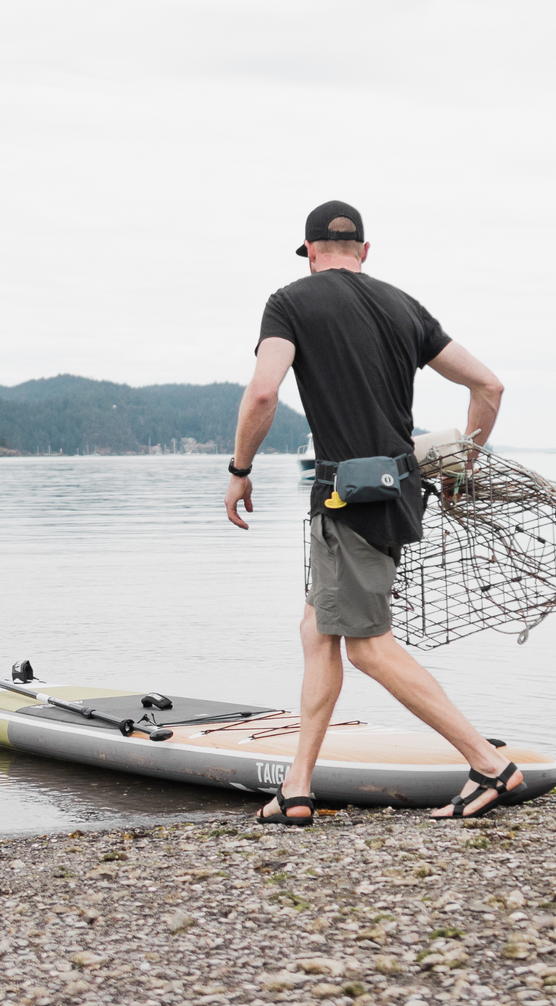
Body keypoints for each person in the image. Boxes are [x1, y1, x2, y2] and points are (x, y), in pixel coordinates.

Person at [223, 200, 525, 822]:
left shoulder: (290, 302)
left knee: (366, 647)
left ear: (309, 250)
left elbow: (262, 390)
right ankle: (298, 789)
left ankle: (490, 767)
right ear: (364, 250)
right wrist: (463, 462)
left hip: (346, 499)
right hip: (396, 492)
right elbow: (488, 386)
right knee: (318, 630)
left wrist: (240, 469)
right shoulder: (403, 305)